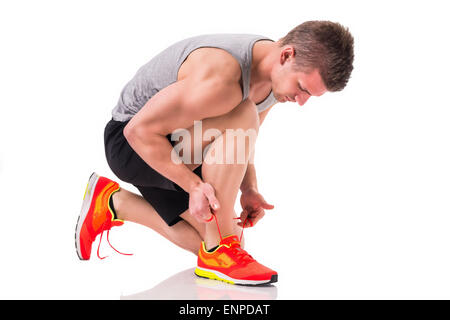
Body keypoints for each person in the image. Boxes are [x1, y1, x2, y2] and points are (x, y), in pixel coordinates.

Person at [75, 20, 354, 285]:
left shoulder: (274, 80)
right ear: (287, 55)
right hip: (133, 145)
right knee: (243, 112)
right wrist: (193, 185)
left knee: (222, 240)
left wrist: (249, 187)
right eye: (302, 88)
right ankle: (219, 250)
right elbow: (137, 132)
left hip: (179, 142)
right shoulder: (221, 77)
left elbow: (245, 138)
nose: (301, 101)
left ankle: (112, 202)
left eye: (309, 95)